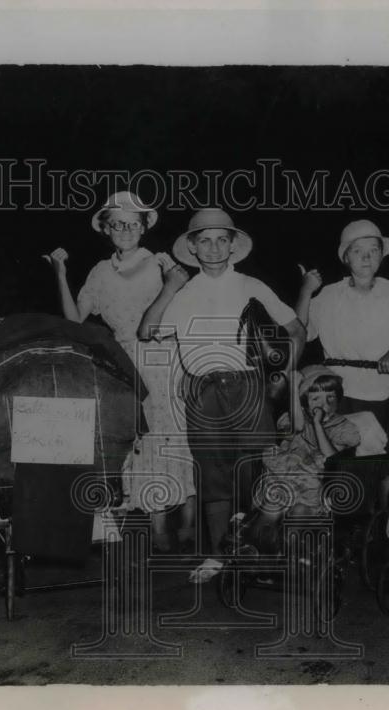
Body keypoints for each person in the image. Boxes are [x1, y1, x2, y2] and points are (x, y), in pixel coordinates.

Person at [139, 208, 306, 582]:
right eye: (205, 241)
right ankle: (218, 557)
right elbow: (147, 331)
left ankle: (256, 550)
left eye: (221, 240)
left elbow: (297, 329)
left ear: (232, 246)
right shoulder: (184, 293)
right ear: (193, 248)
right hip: (202, 392)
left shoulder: (251, 284)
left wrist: (282, 374)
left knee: (252, 472)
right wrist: (168, 286)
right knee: (213, 478)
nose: (213, 248)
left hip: (247, 385)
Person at [47, 191, 196, 553]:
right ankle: (157, 520)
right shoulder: (99, 272)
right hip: (123, 361)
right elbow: (74, 321)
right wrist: (61, 273)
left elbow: (186, 312)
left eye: (132, 223)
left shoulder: (159, 262)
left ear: (144, 227)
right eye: (117, 223)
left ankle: (189, 520)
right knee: (139, 438)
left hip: (162, 357)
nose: (125, 229)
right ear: (106, 229)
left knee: (172, 436)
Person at [295, 219, 389, 453]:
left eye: (373, 251)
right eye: (358, 251)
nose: (366, 258)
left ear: (382, 256)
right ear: (345, 257)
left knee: (388, 458)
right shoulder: (330, 295)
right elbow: (300, 333)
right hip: (343, 392)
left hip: (386, 391)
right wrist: (305, 291)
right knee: (346, 459)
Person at [248, 365, 361, 554]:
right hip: (285, 480)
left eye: (330, 397)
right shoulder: (293, 420)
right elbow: (297, 427)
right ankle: (257, 550)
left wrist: (318, 424)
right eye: (315, 398)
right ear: (303, 402)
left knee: (299, 513)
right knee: (271, 508)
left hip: (316, 488)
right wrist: (294, 388)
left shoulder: (344, 428)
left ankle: (291, 558)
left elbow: (331, 457)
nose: (324, 404)